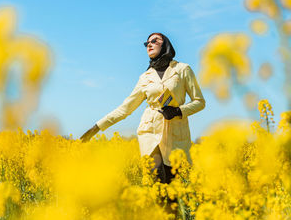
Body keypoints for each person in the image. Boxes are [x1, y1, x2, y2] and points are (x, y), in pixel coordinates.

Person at [80, 32, 205, 184]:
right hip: (149, 132)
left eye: (154, 41)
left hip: (175, 132)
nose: (149, 45)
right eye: (147, 43)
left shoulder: (183, 69)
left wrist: (178, 111)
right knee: (157, 182)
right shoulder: (145, 77)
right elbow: (126, 108)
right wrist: (96, 127)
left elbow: (199, 101)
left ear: (165, 44)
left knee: (173, 187)